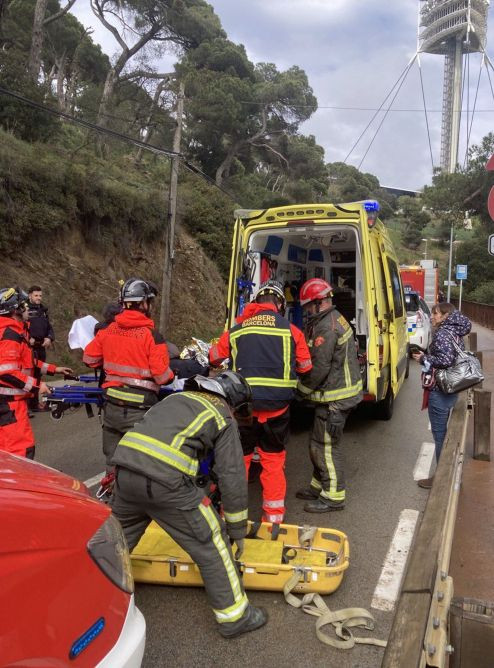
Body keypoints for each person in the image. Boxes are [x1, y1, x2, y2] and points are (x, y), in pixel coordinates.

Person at [111, 370, 268, 639]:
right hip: (166, 484)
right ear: (231, 399)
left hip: (124, 474)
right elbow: (232, 475)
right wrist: (236, 529)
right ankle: (236, 616)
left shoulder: (175, 399)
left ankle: (96, 600)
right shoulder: (221, 414)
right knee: (212, 540)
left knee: (116, 543)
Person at [209, 279, 312, 524]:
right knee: (273, 463)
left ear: (256, 302)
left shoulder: (238, 329)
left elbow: (214, 357)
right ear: (279, 303)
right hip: (277, 409)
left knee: (239, 462)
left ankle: (230, 517)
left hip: (244, 409)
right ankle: (273, 519)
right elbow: (306, 366)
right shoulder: (291, 330)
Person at [83, 279, 174, 469]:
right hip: (140, 408)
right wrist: (172, 373)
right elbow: (162, 377)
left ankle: (111, 490)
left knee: (113, 459)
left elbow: (89, 359)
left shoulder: (108, 330)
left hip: (112, 406)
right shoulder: (152, 336)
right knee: (140, 461)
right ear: (143, 304)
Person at [295, 278, 363, 513]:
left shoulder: (327, 327)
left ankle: (333, 496)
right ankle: (318, 486)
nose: (305, 311)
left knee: (326, 447)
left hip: (335, 400)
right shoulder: (331, 319)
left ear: (318, 302)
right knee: (317, 442)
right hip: (336, 396)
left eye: (307, 307)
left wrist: (300, 392)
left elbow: (319, 368)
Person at [0, 287, 72, 459]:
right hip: (9, 405)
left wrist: (54, 369)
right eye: (24, 306)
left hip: (12, 403)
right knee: (20, 453)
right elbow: (6, 373)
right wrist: (37, 386)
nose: (27, 309)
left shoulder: (15, 332)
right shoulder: (10, 335)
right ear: (15, 310)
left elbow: (27, 363)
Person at [412, 302, 471, 489]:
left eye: (436, 314)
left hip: (440, 390)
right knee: (445, 435)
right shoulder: (455, 331)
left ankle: (442, 477)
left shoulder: (443, 333)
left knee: (440, 436)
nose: (432, 316)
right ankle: (450, 474)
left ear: (446, 316)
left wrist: (423, 358)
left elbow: (445, 360)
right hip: (451, 387)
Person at [27, 285, 55, 411]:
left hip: (41, 348)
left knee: (38, 376)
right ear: (30, 296)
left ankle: (34, 404)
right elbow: (20, 326)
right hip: (29, 348)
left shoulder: (43, 310)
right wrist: (28, 338)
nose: (38, 298)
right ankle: (27, 405)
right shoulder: (24, 310)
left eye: (40, 295)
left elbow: (49, 327)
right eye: (36, 295)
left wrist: (49, 337)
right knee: (29, 376)